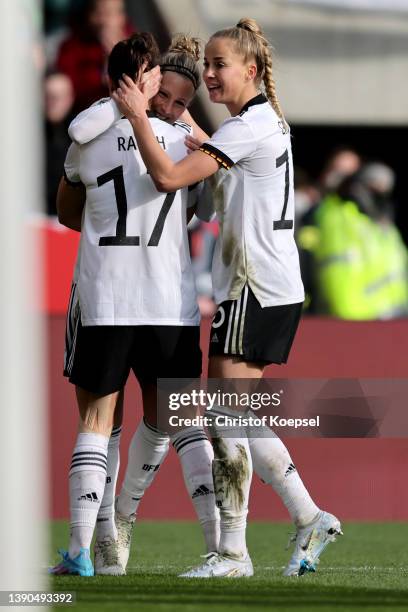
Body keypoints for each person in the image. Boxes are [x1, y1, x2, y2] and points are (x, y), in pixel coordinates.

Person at [113, 17, 342, 578]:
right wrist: (186, 122)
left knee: (220, 413)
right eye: (207, 65)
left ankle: (233, 553)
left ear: (252, 71)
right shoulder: (263, 123)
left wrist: (139, 115)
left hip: (253, 288)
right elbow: (215, 178)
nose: (211, 75)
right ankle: (309, 517)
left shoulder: (246, 129)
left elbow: (168, 178)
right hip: (269, 287)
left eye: (220, 66)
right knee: (233, 412)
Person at [49, 32, 217, 578]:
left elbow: (66, 213)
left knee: (98, 421)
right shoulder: (179, 141)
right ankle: (223, 548)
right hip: (168, 301)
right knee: (182, 418)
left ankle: (85, 549)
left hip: (105, 296)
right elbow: (200, 206)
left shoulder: (86, 139)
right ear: (148, 80)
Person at [56, 0, 134, 112]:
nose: (103, 21)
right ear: (89, 15)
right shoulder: (75, 43)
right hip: (84, 112)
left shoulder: (135, 44)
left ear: (121, 17)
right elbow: (69, 85)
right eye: (98, 13)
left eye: (109, 14)